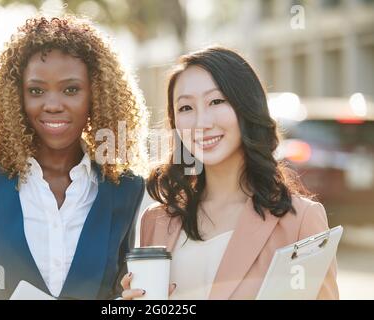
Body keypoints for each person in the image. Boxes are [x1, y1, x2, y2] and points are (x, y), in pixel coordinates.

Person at [0, 15, 147, 300]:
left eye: (71, 89)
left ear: (96, 95)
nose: (52, 105)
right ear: (17, 96)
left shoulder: (125, 189)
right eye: (36, 91)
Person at [120, 46, 339, 300]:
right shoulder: (156, 220)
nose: (202, 122)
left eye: (216, 101)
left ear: (246, 107)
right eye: (186, 108)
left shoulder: (300, 220)